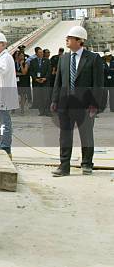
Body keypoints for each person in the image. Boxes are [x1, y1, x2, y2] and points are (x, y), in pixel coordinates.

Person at [51, 26, 104, 177]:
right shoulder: (64, 59)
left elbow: (98, 84)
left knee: (86, 135)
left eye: (70, 38)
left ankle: (87, 164)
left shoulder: (93, 59)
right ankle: (64, 166)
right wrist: (55, 100)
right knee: (65, 136)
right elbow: (58, 82)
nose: (67, 40)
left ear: (80, 41)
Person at [29, 48, 50, 115]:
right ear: (36, 53)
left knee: (46, 96)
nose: (41, 54)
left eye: (42, 52)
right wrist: (35, 79)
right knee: (39, 97)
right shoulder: (33, 61)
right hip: (37, 82)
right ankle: (41, 111)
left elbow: (49, 70)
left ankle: (47, 111)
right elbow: (31, 71)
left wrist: (45, 78)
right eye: (40, 52)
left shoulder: (47, 61)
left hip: (45, 82)